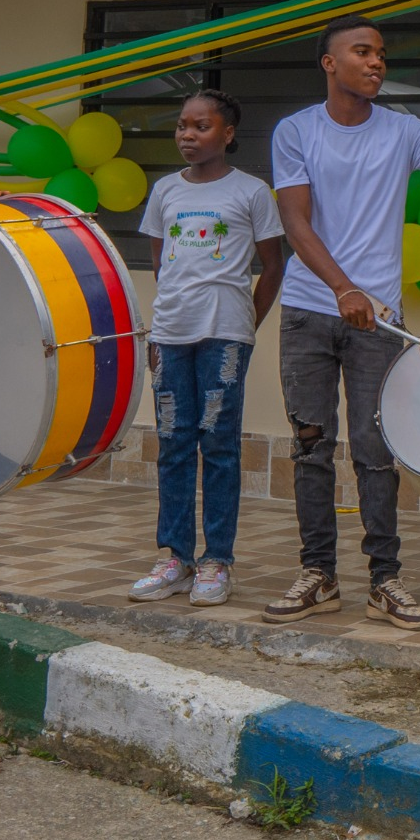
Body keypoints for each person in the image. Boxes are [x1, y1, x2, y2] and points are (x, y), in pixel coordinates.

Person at [266, 16, 420, 630]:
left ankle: (384, 581)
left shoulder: (406, 130)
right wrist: (342, 288)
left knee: (375, 452)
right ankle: (319, 575)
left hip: (378, 321)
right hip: (311, 310)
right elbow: (295, 222)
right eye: (362, 52)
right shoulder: (295, 131)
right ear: (329, 63)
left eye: (381, 54)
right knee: (311, 444)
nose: (376, 62)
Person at [130, 90, 285, 609]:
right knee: (173, 443)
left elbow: (273, 265)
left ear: (228, 134)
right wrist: (177, 308)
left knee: (218, 445)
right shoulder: (165, 190)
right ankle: (175, 557)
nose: (187, 136)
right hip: (170, 335)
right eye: (181, 126)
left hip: (225, 336)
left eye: (200, 126)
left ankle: (217, 561)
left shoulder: (252, 192)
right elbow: (161, 261)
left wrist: (247, 321)